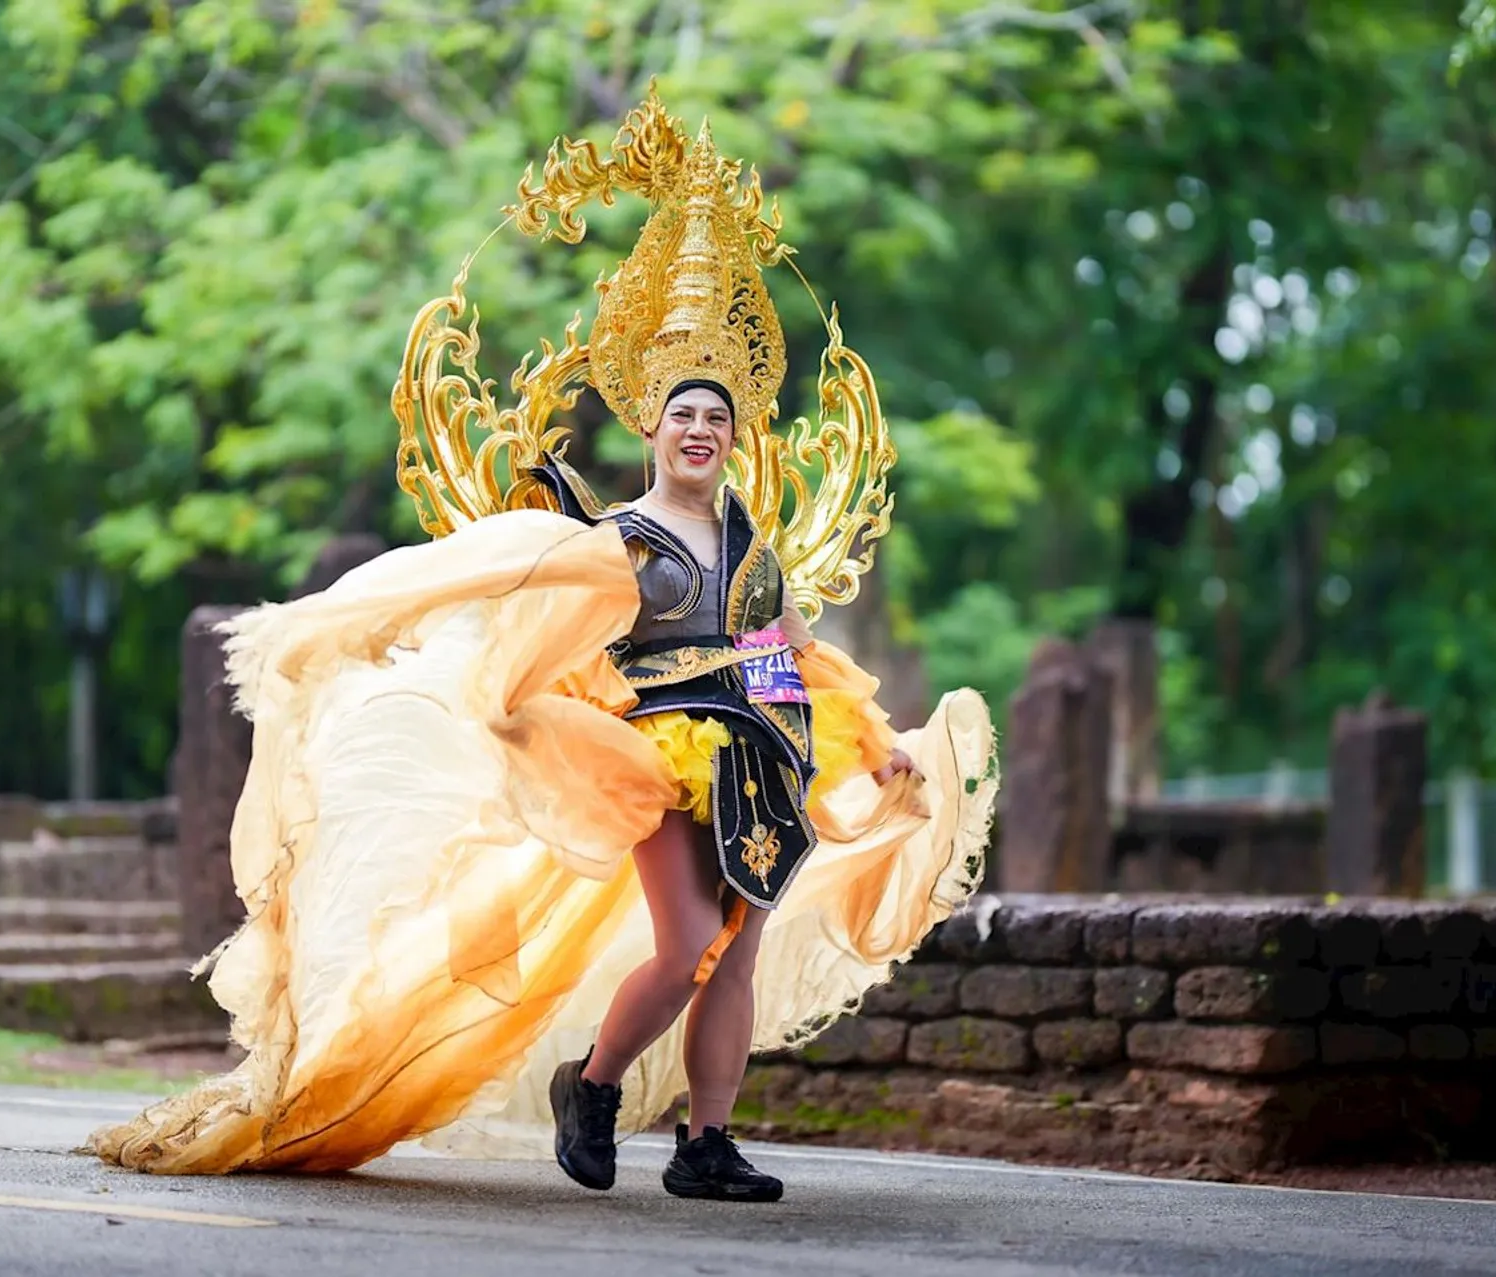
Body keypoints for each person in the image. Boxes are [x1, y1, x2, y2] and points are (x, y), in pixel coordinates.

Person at [88, 92, 997, 1199]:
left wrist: (873, 741)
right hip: (657, 756)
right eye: (684, 415)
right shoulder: (614, 541)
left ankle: (707, 1143)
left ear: (735, 435)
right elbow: (545, 632)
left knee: (738, 949)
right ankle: (594, 1084)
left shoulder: (753, 544)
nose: (701, 430)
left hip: (764, 754)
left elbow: (786, 653)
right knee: (685, 944)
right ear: (651, 427)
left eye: (717, 418)